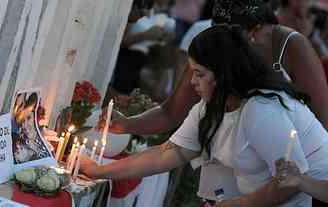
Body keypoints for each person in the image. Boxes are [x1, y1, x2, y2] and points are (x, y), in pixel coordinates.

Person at [84, 25, 328, 206]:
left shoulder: (261, 110)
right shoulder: (208, 107)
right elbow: (165, 154)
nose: (192, 82)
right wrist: (98, 171)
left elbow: (289, 186)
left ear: (223, 74)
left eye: (199, 74)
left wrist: (235, 205)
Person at [98, 0, 328, 136]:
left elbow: (323, 123)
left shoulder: (293, 46)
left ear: (256, 30)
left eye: (233, 39)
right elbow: (171, 113)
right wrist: (125, 124)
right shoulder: (218, 43)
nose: (225, 49)